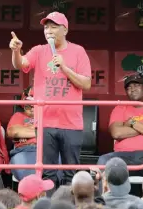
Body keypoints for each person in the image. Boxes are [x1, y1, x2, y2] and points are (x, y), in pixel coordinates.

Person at [10, 11, 92, 187]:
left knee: (71, 174)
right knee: (47, 173)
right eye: (46, 27)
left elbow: (86, 84)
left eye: (54, 27)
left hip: (71, 122)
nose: (49, 31)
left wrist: (64, 66)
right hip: (45, 121)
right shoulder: (39, 50)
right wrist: (16, 52)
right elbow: (21, 64)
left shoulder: (78, 51)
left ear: (65, 30)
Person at [97, 74, 143, 174]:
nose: (132, 89)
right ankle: (102, 190)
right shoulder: (120, 108)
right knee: (103, 160)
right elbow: (116, 133)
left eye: (136, 85)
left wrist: (132, 122)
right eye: (129, 88)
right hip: (123, 155)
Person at [7, 86, 37, 181]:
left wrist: (24, 132)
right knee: (26, 175)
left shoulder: (47, 116)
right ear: (24, 106)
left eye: (35, 105)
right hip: (23, 150)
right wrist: (40, 131)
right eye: (28, 106)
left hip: (46, 150)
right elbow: (13, 132)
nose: (32, 109)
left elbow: (52, 132)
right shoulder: (18, 115)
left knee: (54, 171)